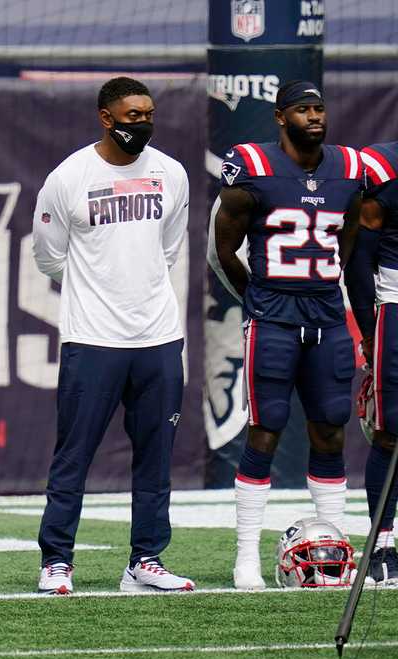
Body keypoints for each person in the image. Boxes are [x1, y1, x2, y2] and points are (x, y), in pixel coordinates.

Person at [32, 77, 193, 595]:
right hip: (93, 338)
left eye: (148, 114)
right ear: (106, 117)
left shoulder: (172, 173)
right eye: (132, 115)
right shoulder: (68, 177)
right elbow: (49, 256)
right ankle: (56, 560)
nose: (142, 123)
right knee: (73, 455)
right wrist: (96, 290)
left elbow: (167, 249)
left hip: (159, 337)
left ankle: (145, 560)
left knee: (156, 455)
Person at [211, 81, 363, 590]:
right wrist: (256, 300)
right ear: (281, 117)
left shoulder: (348, 168)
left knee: (331, 429)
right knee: (266, 428)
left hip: (326, 316)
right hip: (273, 318)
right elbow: (222, 250)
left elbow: (347, 244)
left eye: (320, 108)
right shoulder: (251, 166)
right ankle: (246, 556)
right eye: (304, 109)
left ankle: (335, 541)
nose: (315, 117)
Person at [345, 140, 398, 584]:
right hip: (396, 302)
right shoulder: (384, 167)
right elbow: (360, 260)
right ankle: (382, 541)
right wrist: (367, 330)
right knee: (390, 430)